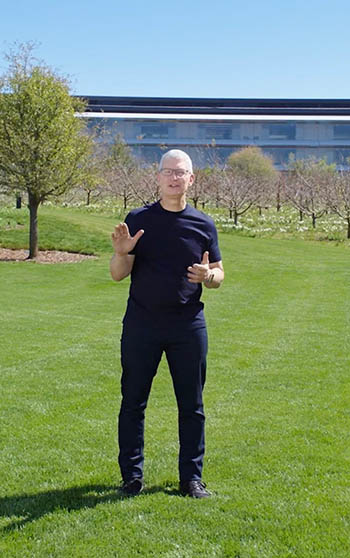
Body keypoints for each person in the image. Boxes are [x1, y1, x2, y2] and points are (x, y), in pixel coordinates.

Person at [110, 149, 224, 499]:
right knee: (133, 401)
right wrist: (122, 252)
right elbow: (117, 276)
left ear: (192, 179)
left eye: (181, 173)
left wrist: (209, 275)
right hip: (142, 323)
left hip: (187, 325)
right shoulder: (139, 219)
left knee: (191, 405)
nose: (174, 178)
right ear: (157, 177)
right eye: (168, 172)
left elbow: (219, 274)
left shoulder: (203, 224)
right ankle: (131, 476)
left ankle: (191, 478)